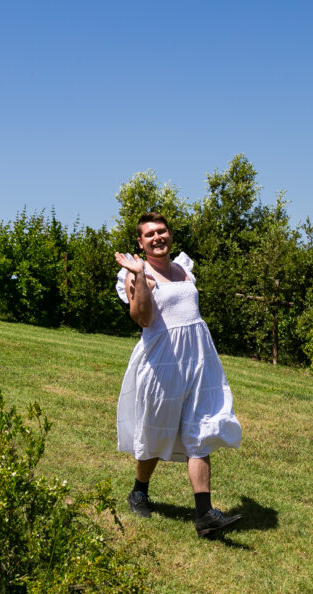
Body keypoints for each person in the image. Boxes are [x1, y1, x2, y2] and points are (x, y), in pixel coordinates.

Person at [114, 212, 243, 537]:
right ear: (140, 243)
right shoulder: (134, 274)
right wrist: (140, 276)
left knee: (201, 429)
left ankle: (204, 516)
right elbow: (142, 318)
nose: (158, 237)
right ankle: (139, 491)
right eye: (150, 234)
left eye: (162, 231)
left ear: (169, 235)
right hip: (162, 364)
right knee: (156, 430)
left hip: (198, 360)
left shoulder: (183, 268)